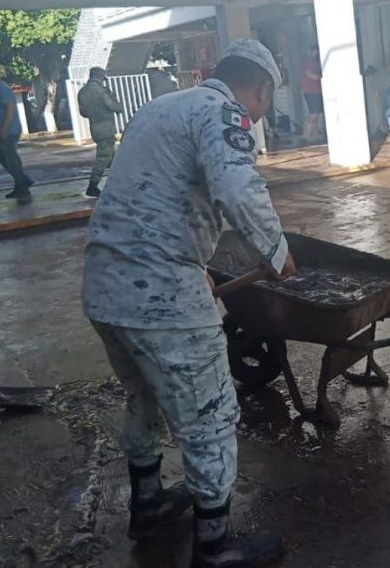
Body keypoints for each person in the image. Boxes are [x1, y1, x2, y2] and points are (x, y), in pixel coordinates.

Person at [81, 39, 295, 567]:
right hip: (162, 295)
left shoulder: (162, 106)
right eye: (266, 101)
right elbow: (237, 188)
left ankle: (148, 505)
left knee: (144, 400)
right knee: (211, 417)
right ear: (262, 90)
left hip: (105, 284)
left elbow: (156, 196)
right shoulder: (224, 113)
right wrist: (278, 252)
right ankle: (215, 549)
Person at [0, 66, 33, 200]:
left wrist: (4, 128)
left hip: (9, 130)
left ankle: (23, 187)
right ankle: (21, 182)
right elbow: (1, 109)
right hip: (4, 129)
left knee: (10, 158)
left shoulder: (2, 88)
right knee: (3, 155)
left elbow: (10, 108)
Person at [77, 67, 123, 198]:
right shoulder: (102, 91)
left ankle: (120, 183)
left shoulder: (83, 92)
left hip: (95, 128)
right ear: (100, 76)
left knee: (112, 158)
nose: (104, 81)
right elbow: (113, 106)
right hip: (106, 128)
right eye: (103, 78)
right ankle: (93, 185)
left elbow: (83, 113)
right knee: (103, 158)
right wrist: (118, 106)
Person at [300, 44, 323, 143]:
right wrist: (321, 77)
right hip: (310, 91)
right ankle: (306, 135)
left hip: (317, 91)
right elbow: (309, 74)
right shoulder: (307, 61)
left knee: (316, 114)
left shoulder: (317, 62)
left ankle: (313, 136)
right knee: (313, 113)